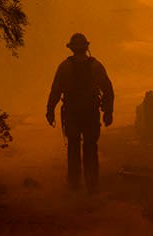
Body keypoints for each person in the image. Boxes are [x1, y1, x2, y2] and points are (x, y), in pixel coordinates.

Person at [45, 32, 114, 195]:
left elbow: (56, 90)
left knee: (73, 147)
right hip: (90, 112)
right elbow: (108, 90)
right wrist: (108, 112)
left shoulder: (64, 67)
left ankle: (74, 183)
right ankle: (92, 184)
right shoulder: (96, 66)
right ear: (86, 48)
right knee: (91, 146)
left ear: (72, 49)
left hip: (72, 113)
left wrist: (50, 110)